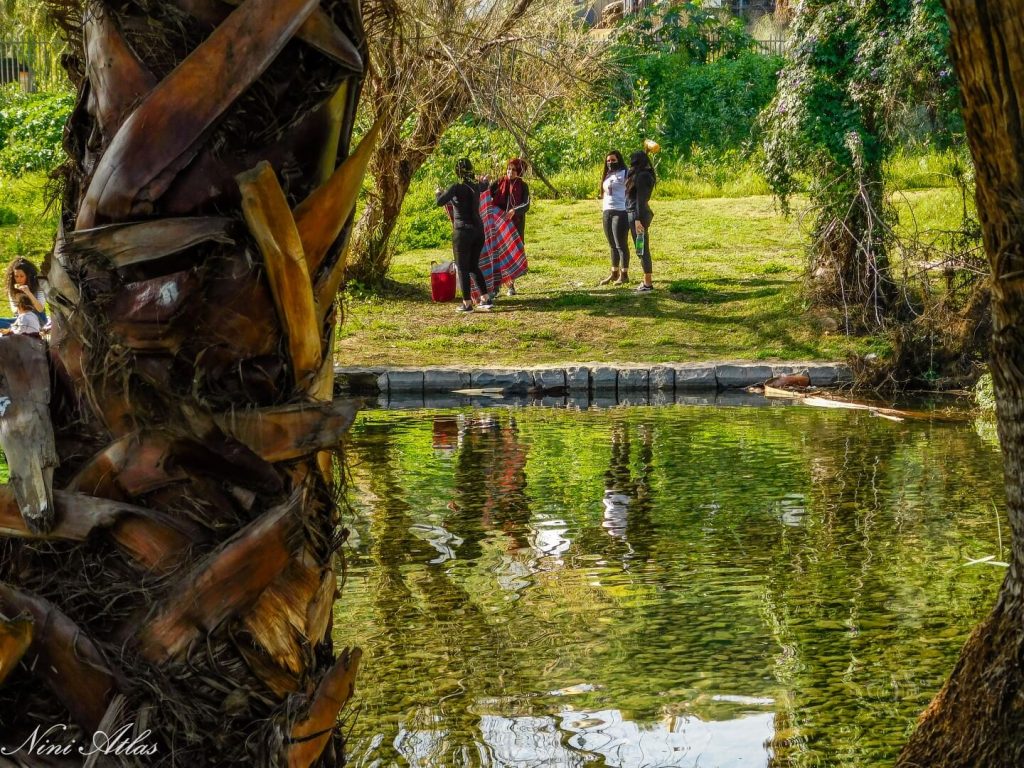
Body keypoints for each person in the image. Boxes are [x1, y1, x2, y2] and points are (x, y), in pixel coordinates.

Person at [436, 158, 493, 313]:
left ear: (457, 172)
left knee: (462, 268)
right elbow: (485, 185)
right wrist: (486, 180)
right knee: (473, 265)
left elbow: (440, 202)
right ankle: (486, 299)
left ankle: (467, 303)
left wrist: (438, 192)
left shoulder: (456, 187)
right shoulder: (475, 186)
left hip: (462, 232)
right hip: (478, 231)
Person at [488, 157, 530, 296]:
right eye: (508, 169)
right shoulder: (499, 182)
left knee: (512, 254)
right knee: (498, 254)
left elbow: (526, 204)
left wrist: (514, 211)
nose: (510, 172)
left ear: (519, 172)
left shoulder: (523, 186)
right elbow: (486, 194)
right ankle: (495, 287)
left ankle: (511, 285)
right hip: (498, 227)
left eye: (513, 170)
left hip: (515, 225)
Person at [598, 151, 631, 286]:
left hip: (621, 211)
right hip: (607, 211)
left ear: (619, 160)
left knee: (621, 244)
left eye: (613, 160)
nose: (610, 163)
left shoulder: (625, 173)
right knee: (612, 244)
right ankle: (614, 273)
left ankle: (624, 274)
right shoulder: (607, 174)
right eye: (608, 161)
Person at [626, 150, 656, 292]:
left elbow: (640, 200)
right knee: (641, 248)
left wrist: (638, 219)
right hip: (639, 214)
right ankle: (646, 281)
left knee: (642, 248)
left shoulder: (642, 176)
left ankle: (648, 283)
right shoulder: (644, 174)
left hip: (638, 215)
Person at [0, 258, 47, 329]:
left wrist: (28, 293)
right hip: (20, 319)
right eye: (16, 276)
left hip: (38, 319)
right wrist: (18, 298)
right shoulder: (12, 289)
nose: (18, 279)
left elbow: (40, 309)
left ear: (27, 276)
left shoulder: (38, 286)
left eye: (22, 276)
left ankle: (15, 328)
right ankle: (15, 327)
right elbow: (15, 310)